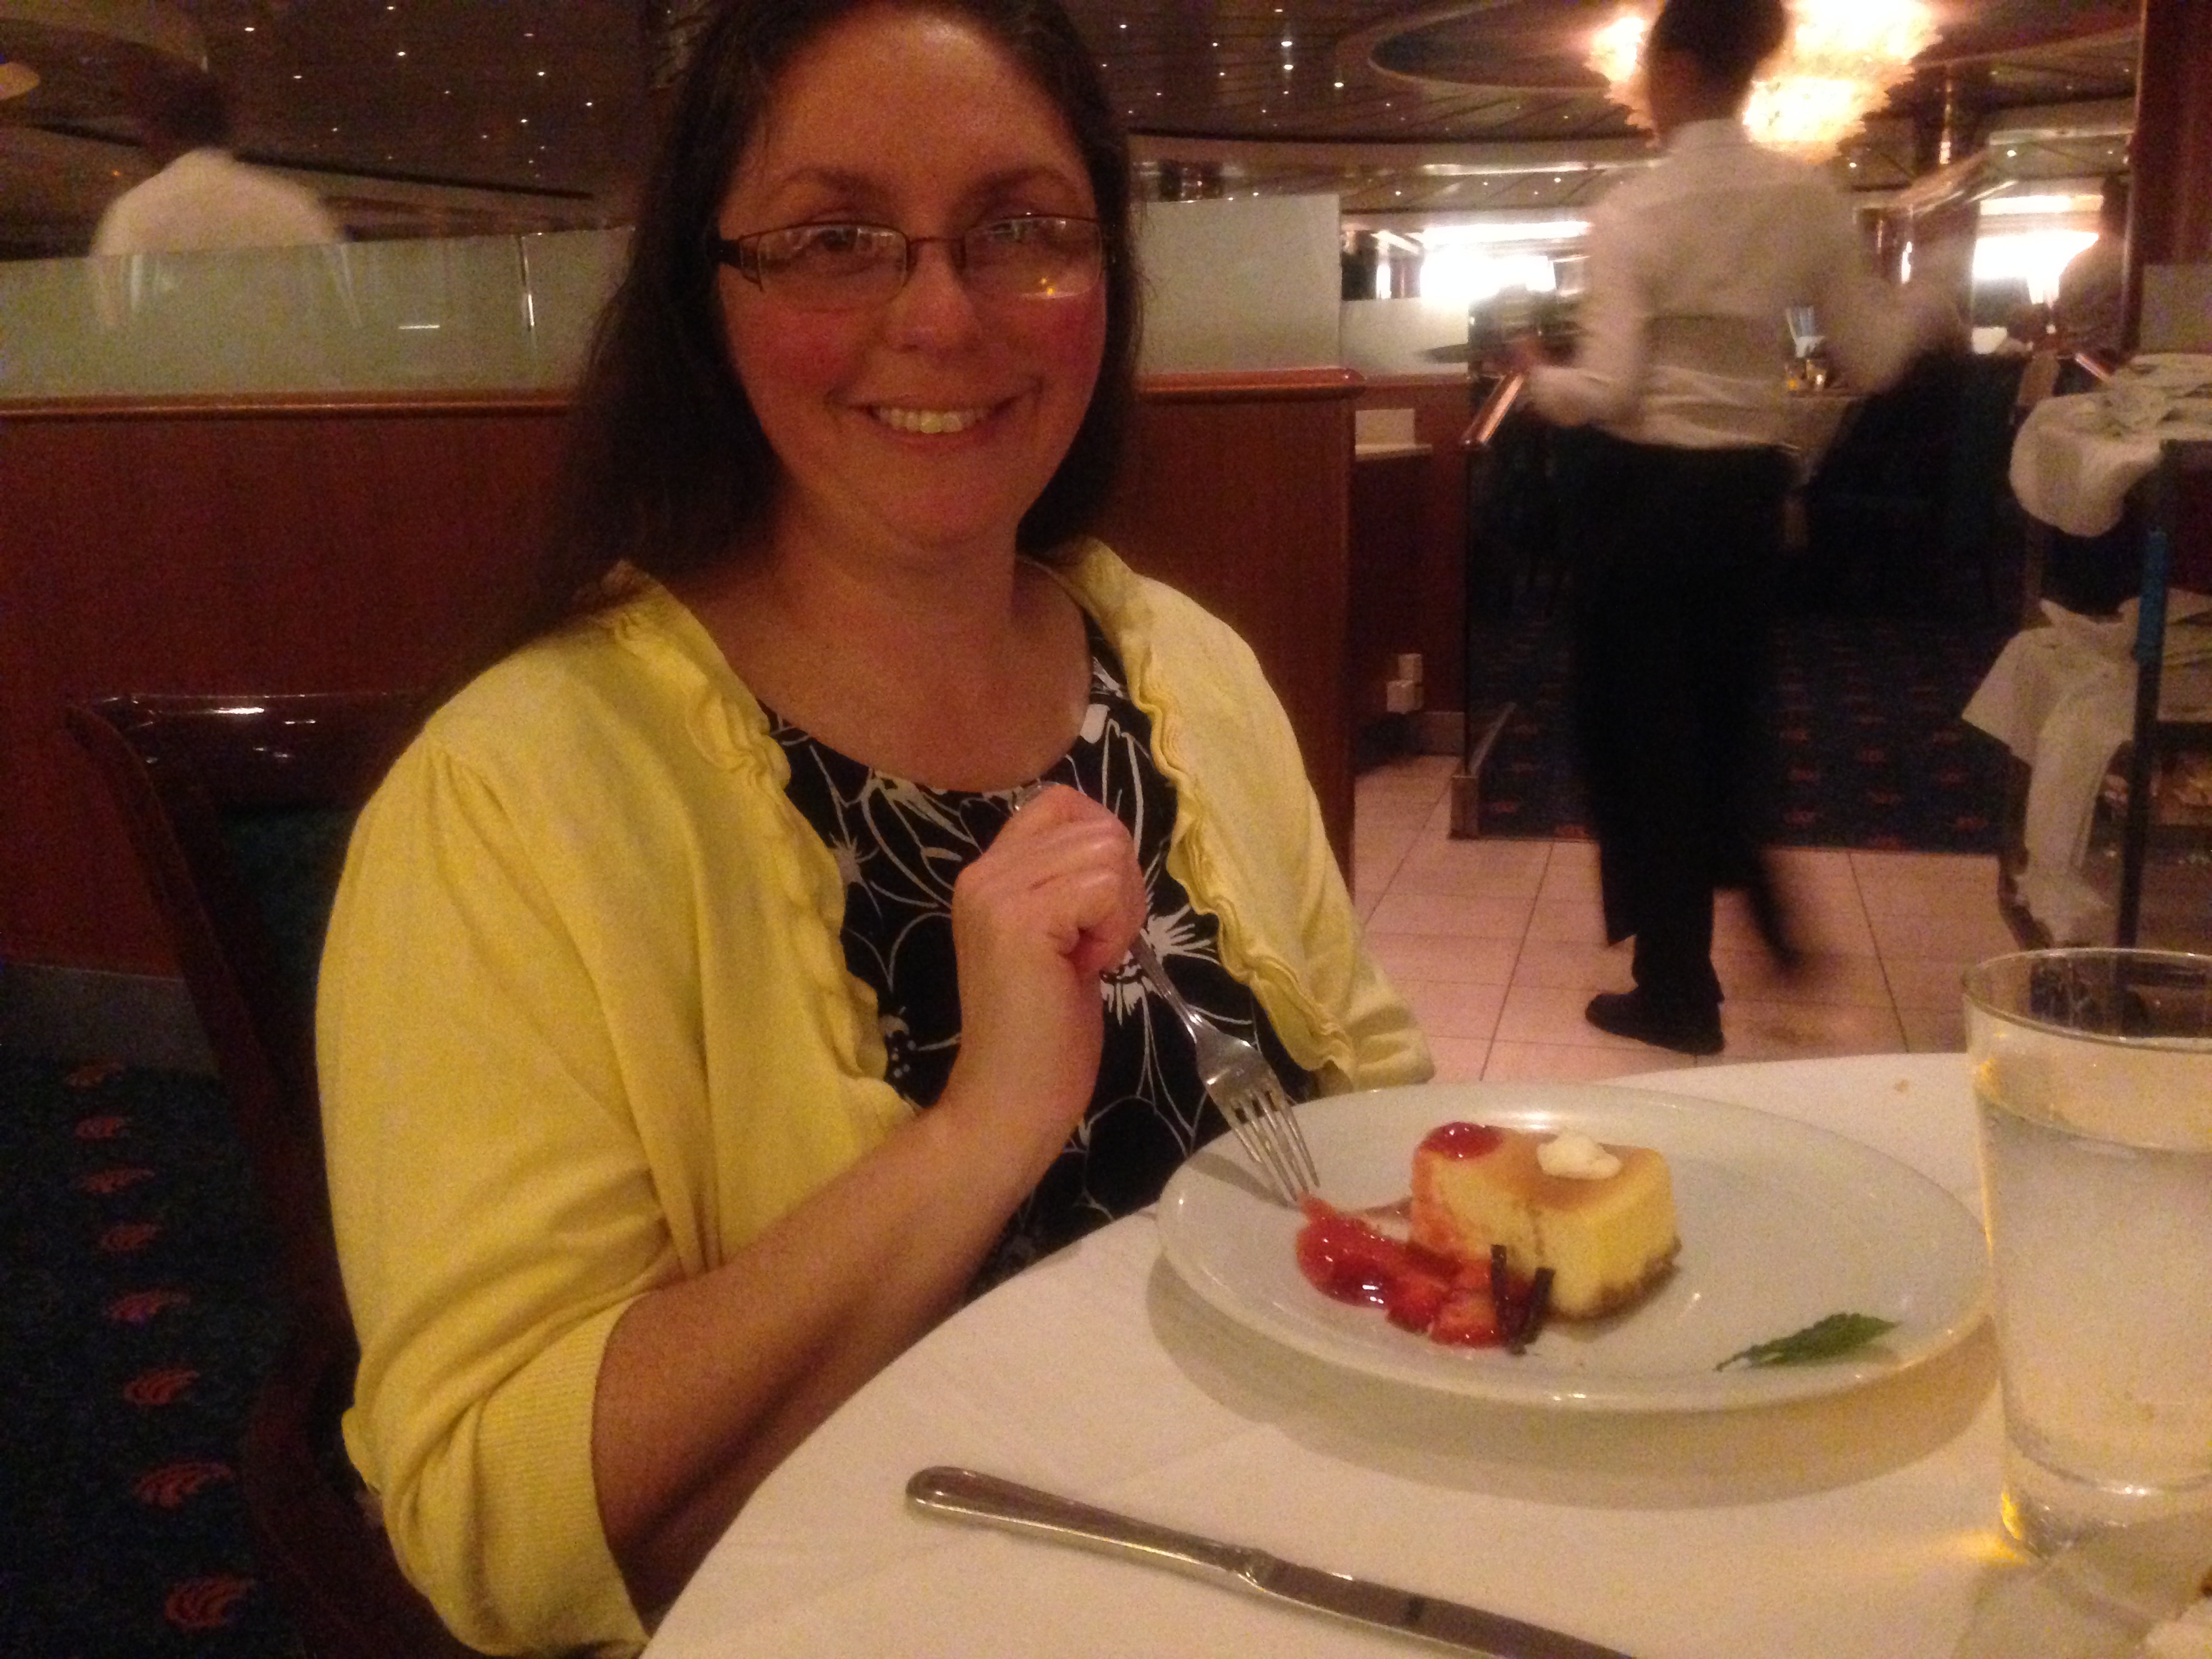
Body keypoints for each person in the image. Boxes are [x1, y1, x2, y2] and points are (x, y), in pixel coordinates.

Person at [314, 2, 1429, 1652]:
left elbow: (1385, 1099)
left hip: (1321, 1557)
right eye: (834, 238)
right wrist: (979, 1131)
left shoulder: (1186, 668)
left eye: (1021, 230)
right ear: (708, 295)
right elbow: (492, 1513)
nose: (941, 314)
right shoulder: (512, 792)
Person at [1516, 0, 1960, 1055]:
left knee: (1644, 740)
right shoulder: (1806, 200)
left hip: (1644, 502)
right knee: (1726, 720)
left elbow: (1610, 388)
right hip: (1745, 504)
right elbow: (1872, 358)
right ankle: (1760, 937)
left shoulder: (1636, 210)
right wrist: (1934, 293)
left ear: (1673, 66)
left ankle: (1678, 991)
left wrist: (1539, 377)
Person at [91, 71, 342, 255]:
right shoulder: (294, 206)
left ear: (158, 132)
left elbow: (113, 307)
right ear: (229, 128)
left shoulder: (134, 214)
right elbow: (330, 300)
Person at [2053, 174, 2127, 362]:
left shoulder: (2074, 265)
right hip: (2115, 362)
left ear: (2102, 221)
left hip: (2076, 363)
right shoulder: (2130, 262)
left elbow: (2060, 316)